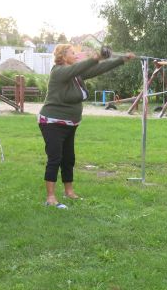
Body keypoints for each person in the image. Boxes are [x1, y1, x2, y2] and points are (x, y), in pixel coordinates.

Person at [39, 44, 135, 208]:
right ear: (63, 56)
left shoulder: (76, 75)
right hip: (52, 123)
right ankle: (50, 198)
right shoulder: (58, 71)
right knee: (55, 158)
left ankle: (69, 192)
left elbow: (99, 69)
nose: (76, 55)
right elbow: (80, 67)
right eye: (73, 53)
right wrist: (97, 57)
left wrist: (122, 59)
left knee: (69, 158)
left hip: (70, 124)